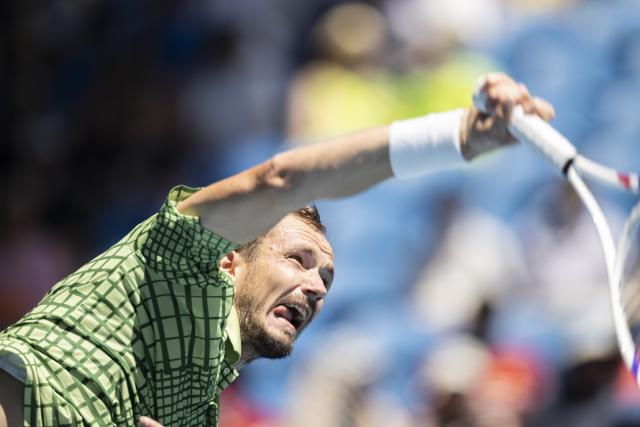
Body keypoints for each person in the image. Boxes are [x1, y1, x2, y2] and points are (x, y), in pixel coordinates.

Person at [0, 73, 554, 427]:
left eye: (328, 281)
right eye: (298, 259)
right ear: (229, 259)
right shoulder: (172, 259)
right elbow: (279, 177)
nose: (316, 287)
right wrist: (459, 136)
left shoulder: (197, 412)